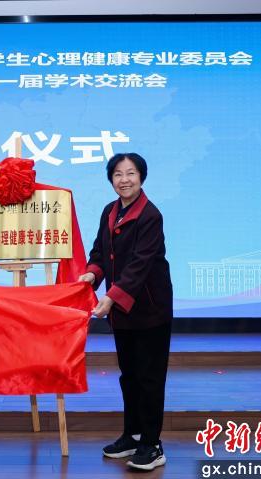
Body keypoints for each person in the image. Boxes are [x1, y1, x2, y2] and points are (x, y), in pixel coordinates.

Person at [78, 153, 173, 471]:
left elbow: (139, 266)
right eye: (118, 174)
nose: (124, 180)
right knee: (129, 376)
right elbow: (99, 251)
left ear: (141, 177)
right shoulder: (110, 210)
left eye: (131, 173)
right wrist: (92, 274)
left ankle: (152, 445)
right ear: (111, 179)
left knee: (149, 377)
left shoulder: (151, 214)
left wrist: (109, 299)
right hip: (122, 310)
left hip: (150, 309)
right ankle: (132, 436)